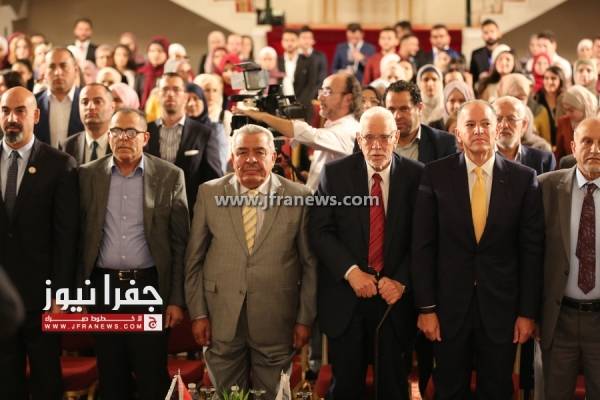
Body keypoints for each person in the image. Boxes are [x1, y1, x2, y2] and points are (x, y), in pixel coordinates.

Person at [412, 99, 544, 400]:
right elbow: (423, 247)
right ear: (458, 133)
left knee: (497, 389)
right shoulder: (434, 175)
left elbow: (531, 252)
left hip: (502, 309)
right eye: (470, 125)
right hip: (448, 309)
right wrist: (426, 308)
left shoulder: (524, 179)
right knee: (448, 389)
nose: (479, 131)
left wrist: (527, 312)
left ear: (497, 129)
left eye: (485, 124)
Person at [185, 124, 316, 398]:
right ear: (232, 157)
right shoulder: (209, 193)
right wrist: (198, 314)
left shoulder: (300, 197)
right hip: (221, 319)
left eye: (259, 152)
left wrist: (305, 319)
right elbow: (194, 260)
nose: (251, 159)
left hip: (277, 320)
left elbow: (310, 265)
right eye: (242, 152)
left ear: (274, 156)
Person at [309, 107, 423, 399]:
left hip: (394, 302)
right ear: (358, 139)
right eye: (369, 138)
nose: (376, 145)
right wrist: (351, 272)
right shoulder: (334, 174)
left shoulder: (417, 176)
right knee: (346, 389)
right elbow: (320, 231)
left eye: (384, 137)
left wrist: (401, 280)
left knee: (393, 389)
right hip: (346, 300)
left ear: (396, 137)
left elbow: (423, 238)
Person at [78, 107, 189, 400]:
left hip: (148, 289)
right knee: (111, 378)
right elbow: (77, 238)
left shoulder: (169, 176)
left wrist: (176, 300)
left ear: (145, 138)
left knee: (152, 376)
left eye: (131, 132)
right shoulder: (87, 175)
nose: (123, 138)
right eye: (116, 131)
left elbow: (180, 244)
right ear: (109, 136)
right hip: (103, 290)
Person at [0, 86, 79, 399]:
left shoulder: (60, 164)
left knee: (47, 380)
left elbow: (66, 236)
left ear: (35, 115)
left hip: (43, 299)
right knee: (5, 382)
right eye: (5, 111)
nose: (12, 118)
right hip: (1, 298)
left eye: (20, 111)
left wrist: (61, 295)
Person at [538, 117, 600, 399]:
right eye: (587, 141)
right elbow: (531, 255)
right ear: (573, 147)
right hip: (559, 318)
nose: (595, 149)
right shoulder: (545, 187)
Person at [238, 72, 361, 192]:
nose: (319, 97)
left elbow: (311, 136)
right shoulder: (333, 127)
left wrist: (263, 116)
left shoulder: (349, 129)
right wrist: (310, 178)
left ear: (348, 99)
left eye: (327, 92)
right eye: (321, 91)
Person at [145, 72, 223, 208]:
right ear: (158, 95)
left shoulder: (204, 133)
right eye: (165, 89)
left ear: (185, 96)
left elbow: (214, 179)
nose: (170, 94)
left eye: (176, 89)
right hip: (150, 210)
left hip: (190, 211)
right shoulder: (145, 131)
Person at [384, 79, 456, 164]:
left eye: (404, 109)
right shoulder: (376, 142)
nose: (397, 116)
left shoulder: (444, 143)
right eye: (391, 110)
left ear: (419, 108)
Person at [493, 95, 556, 174]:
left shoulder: (543, 161)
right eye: (498, 119)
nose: (504, 125)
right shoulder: (480, 160)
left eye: (511, 119)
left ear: (524, 124)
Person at [35, 48, 84, 147]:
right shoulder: (34, 103)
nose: (57, 72)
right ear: (44, 72)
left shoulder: (87, 102)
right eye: (52, 67)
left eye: (63, 66)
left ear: (75, 70)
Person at [59, 83, 113, 165]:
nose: (90, 107)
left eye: (97, 102)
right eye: (85, 102)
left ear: (112, 107)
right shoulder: (66, 146)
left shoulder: (121, 144)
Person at [277, 29, 319, 122]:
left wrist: (298, 105)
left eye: (292, 40)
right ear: (282, 42)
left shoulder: (309, 61)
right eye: (286, 40)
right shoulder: (277, 61)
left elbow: (311, 85)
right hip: (281, 108)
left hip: (303, 107)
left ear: (298, 41)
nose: (289, 43)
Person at [555, 85, 598, 161]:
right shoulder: (563, 122)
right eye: (566, 110)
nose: (568, 114)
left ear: (583, 108)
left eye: (571, 110)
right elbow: (559, 153)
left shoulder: (596, 124)